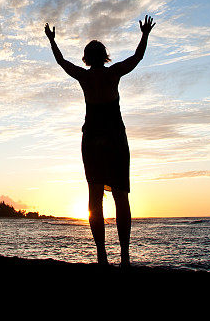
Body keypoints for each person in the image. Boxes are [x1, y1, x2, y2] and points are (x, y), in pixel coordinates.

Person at [44, 15, 155, 267]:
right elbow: (137, 57)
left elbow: (61, 62)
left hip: (93, 138)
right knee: (120, 196)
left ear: (87, 57)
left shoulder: (85, 77)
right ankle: (124, 257)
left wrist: (52, 41)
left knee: (95, 196)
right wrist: (145, 35)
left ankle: (102, 257)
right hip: (114, 137)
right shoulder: (113, 72)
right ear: (104, 56)